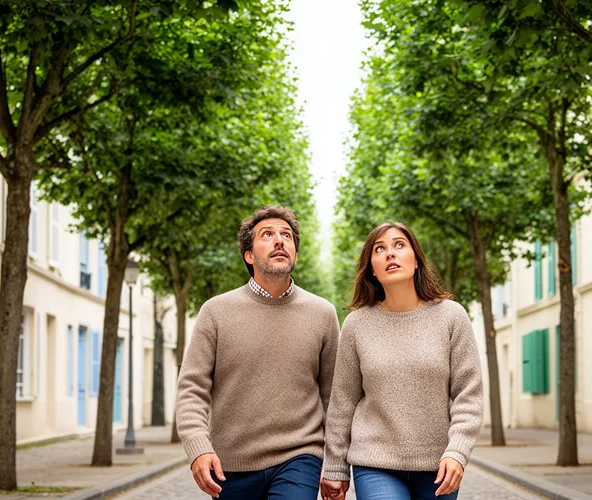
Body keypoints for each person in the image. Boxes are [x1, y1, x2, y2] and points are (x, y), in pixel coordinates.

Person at [175, 205, 340, 499]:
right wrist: (198, 447)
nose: (280, 240)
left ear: (295, 254)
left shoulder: (323, 314)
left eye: (286, 236)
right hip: (231, 465)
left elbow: (333, 396)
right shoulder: (215, 312)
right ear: (249, 255)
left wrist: (336, 464)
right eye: (268, 235)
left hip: (300, 455)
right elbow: (191, 389)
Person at [320, 222, 484, 500]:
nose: (390, 254)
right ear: (372, 268)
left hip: (438, 467)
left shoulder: (451, 317)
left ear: (417, 260)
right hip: (374, 462)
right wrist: (335, 468)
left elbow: (468, 396)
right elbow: (343, 402)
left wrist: (457, 452)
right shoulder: (357, 324)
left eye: (399, 245)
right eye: (379, 249)